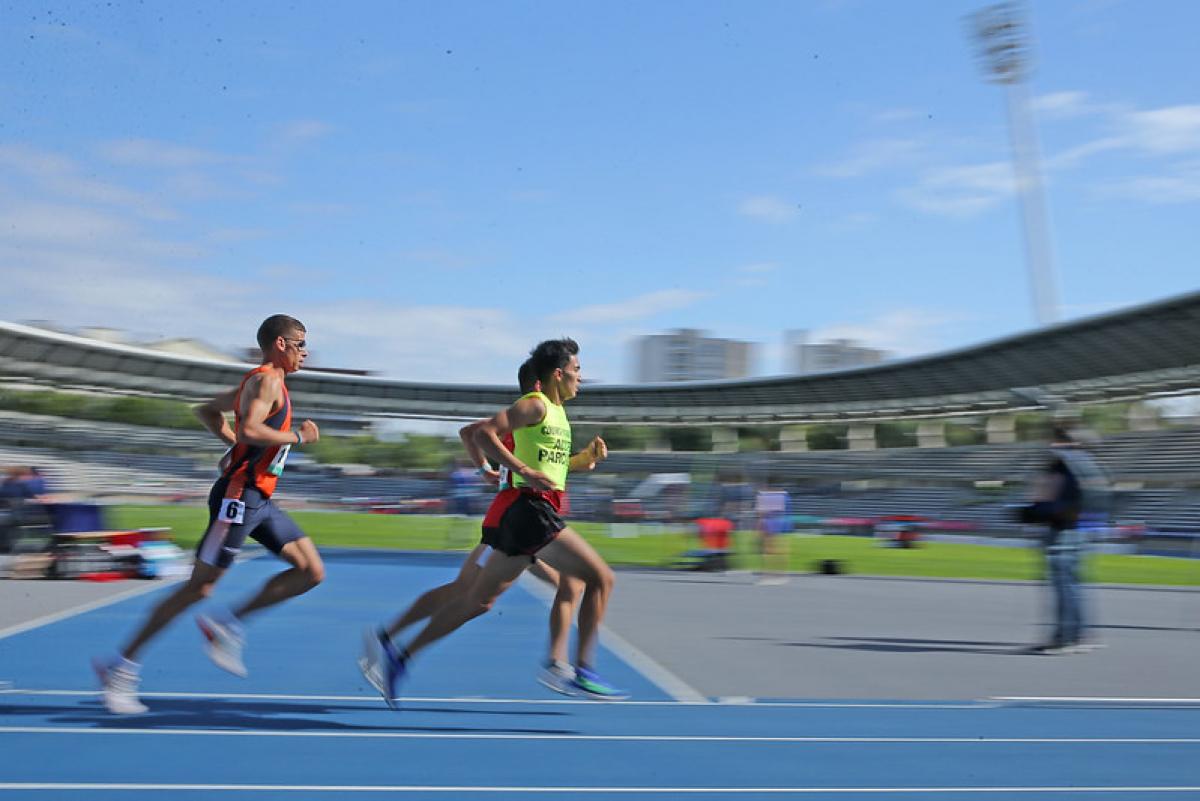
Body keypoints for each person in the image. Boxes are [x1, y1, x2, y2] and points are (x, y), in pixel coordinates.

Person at [365, 338, 625, 706]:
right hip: (528, 511)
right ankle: (582, 668)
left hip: (525, 515)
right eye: (577, 370)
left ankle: (400, 656)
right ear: (557, 373)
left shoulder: (557, 415)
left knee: (475, 601)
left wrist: (582, 460)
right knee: (599, 577)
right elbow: (483, 431)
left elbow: (552, 468)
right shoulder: (534, 404)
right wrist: (515, 470)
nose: (581, 377)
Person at [94, 314, 324, 714]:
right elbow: (252, 429)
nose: (306, 351)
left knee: (310, 571)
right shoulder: (266, 380)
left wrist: (233, 447)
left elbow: (207, 411)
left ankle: (226, 625)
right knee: (198, 588)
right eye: (301, 343)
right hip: (239, 498)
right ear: (281, 344)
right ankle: (120, 667)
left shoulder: (264, 383)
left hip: (259, 499)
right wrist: (297, 436)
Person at [1018, 425, 1110, 654]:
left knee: (1063, 585)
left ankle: (1065, 638)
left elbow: (1053, 499)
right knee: (1073, 585)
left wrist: (1030, 513)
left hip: (1062, 530)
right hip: (1080, 529)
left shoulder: (1064, 462)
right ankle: (1078, 635)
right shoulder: (1086, 464)